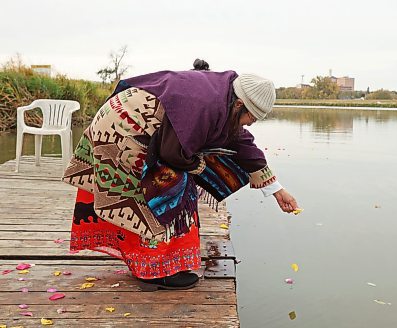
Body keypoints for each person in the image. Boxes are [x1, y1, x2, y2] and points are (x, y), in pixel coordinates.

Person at [62, 60, 299, 290]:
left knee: (184, 180)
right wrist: (199, 167)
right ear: (239, 105)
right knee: (170, 189)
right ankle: (152, 270)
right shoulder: (206, 104)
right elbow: (171, 153)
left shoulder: (224, 96)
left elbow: (241, 141)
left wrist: (276, 189)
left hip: (141, 128)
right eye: (252, 118)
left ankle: (156, 261)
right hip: (124, 130)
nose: (251, 124)